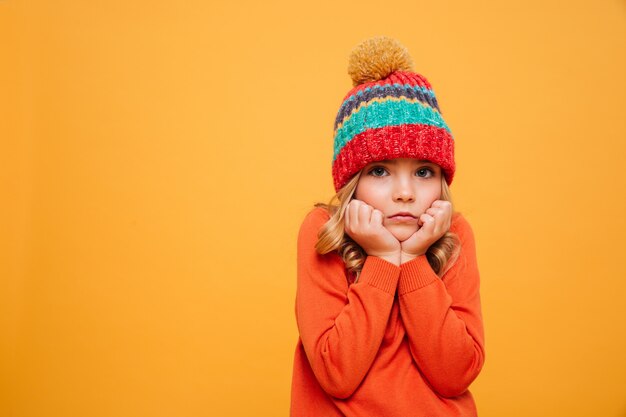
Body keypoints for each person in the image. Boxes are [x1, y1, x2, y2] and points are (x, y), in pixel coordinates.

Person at [289, 36, 486, 417]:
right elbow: (336, 373)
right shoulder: (324, 233)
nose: (405, 193)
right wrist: (381, 258)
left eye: (424, 172)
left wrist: (412, 260)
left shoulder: (452, 236)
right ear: (353, 183)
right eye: (380, 171)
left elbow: (455, 374)